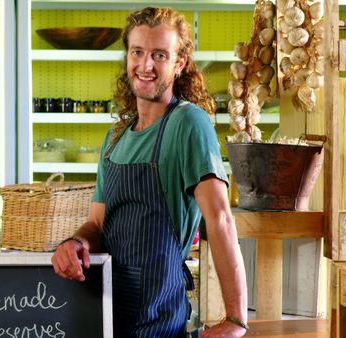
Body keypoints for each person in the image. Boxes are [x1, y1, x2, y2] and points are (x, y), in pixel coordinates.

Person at [51, 7, 248, 337]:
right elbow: (98, 223)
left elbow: (220, 218)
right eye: (137, 52)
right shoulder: (116, 137)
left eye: (159, 55)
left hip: (159, 320)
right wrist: (76, 242)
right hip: (107, 315)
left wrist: (236, 319)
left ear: (179, 63)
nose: (145, 65)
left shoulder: (187, 123)